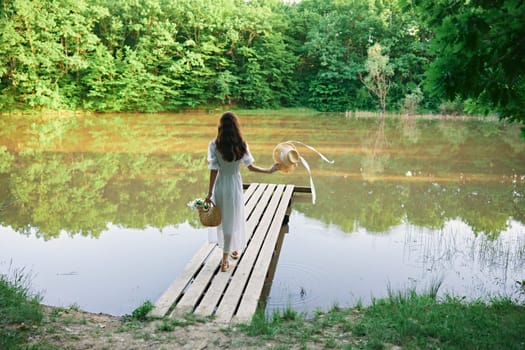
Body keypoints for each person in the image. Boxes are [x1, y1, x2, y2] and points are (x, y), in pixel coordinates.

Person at [205, 111, 280, 272]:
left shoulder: (214, 145)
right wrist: (269, 170)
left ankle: (230, 250)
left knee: (224, 220)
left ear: (221, 127)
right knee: (232, 220)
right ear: (236, 127)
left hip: (220, 185)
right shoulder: (242, 145)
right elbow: (250, 167)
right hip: (234, 186)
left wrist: (209, 193)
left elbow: (213, 170)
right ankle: (225, 261)